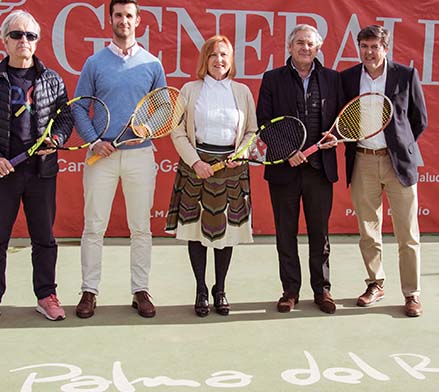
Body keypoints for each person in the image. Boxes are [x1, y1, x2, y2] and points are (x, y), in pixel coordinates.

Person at [0, 10, 68, 327]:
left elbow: (66, 116)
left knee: (44, 239)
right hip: (2, 175)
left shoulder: (52, 79)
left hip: (41, 173)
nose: (24, 40)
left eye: (30, 36)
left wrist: (59, 138)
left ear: (37, 42)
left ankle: (46, 296)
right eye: (17, 35)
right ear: (5, 41)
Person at [72, 0, 166, 318]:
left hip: (140, 157)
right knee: (93, 227)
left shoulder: (152, 64)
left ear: (138, 21)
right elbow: (79, 106)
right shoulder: (95, 63)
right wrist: (94, 141)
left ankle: (141, 290)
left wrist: (147, 128)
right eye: (118, 15)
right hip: (102, 157)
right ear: (110, 19)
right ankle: (89, 291)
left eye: (129, 16)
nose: (124, 21)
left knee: (140, 228)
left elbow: (165, 107)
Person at [339, 25, 428, 317]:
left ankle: (411, 294)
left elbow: (419, 120)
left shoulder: (406, 75)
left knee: (407, 234)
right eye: (364, 46)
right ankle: (375, 283)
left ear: (385, 48)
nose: (369, 52)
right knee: (368, 230)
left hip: (398, 163)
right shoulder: (348, 78)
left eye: (374, 46)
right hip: (362, 160)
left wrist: (398, 145)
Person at [166, 35, 257, 317]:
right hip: (197, 168)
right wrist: (195, 162)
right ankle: (201, 290)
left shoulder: (242, 92)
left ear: (231, 61)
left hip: (232, 170)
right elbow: (177, 131)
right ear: (205, 59)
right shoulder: (189, 90)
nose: (219, 60)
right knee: (196, 233)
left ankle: (221, 290)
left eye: (224, 55)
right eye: (214, 55)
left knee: (226, 235)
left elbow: (252, 131)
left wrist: (241, 152)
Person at [256, 24, 344, 314]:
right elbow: (264, 123)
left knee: (320, 234)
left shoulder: (333, 79)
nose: (305, 48)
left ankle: (323, 290)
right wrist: (286, 152)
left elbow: (341, 121)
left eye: (310, 44)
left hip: (319, 170)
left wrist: (336, 138)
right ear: (290, 47)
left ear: (318, 48)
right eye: (300, 43)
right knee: (285, 233)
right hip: (285, 170)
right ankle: (290, 291)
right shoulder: (272, 79)